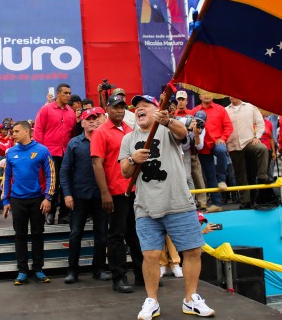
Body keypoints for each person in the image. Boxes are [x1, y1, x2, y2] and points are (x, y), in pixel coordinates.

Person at [120, 95, 215, 319]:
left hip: (178, 202)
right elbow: (124, 171)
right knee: (150, 255)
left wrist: (168, 120)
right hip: (146, 206)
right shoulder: (128, 138)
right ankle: (151, 300)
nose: (140, 109)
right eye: (137, 108)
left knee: (192, 251)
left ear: (157, 110)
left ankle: (191, 299)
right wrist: (133, 159)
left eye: (146, 106)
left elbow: (183, 133)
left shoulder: (167, 129)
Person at [91, 93, 143, 293]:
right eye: (115, 107)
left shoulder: (129, 129)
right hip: (115, 192)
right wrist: (105, 193)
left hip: (134, 190)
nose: (120, 110)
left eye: (122, 107)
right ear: (107, 110)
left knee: (136, 234)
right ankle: (119, 278)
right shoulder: (101, 132)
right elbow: (97, 164)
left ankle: (141, 274)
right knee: (116, 236)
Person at [61, 108, 111, 284]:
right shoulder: (74, 143)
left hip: (101, 196)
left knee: (102, 234)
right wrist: (67, 194)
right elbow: (65, 171)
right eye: (87, 119)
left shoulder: (104, 140)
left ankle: (99, 269)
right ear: (81, 122)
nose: (91, 121)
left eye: (94, 119)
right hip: (79, 196)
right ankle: (72, 271)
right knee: (75, 234)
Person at [3, 121, 54, 285]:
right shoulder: (10, 153)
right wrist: (5, 200)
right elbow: (6, 176)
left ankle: (38, 269)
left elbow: (51, 174)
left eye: (16, 131)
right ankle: (22, 271)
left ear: (27, 131)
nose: (13, 134)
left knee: (38, 235)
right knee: (20, 235)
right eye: (12, 131)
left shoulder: (42, 150)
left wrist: (48, 197)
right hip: (17, 200)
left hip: (37, 200)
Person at [34, 83, 76, 225]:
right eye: (65, 93)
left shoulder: (71, 112)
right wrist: (39, 152)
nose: (68, 95)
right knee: (52, 183)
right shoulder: (46, 110)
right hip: (50, 152)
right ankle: (49, 213)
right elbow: (38, 130)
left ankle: (64, 214)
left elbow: (72, 134)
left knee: (66, 183)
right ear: (58, 94)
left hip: (66, 152)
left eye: (69, 93)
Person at [225, 97, 270, 209]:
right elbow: (223, 127)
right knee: (240, 175)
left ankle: (262, 176)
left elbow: (260, 123)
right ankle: (246, 201)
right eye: (229, 95)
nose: (231, 97)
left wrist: (257, 137)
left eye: (233, 94)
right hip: (233, 145)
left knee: (262, 149)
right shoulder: (225, 110)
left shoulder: (250, 107)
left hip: (248, 142)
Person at [192, 91, 233, 208]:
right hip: (202, 146)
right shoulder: (195, 111)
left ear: (213, 96)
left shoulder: (220, 109)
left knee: (221, 150)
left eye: (209, 93)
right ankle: (216, 204)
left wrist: (223, 138)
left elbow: (228, 126)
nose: (207, 96)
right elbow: (190, 128)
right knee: (209, 175)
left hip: (217, 142)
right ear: (199, 96)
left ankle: (222, 179)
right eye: (204, 94)